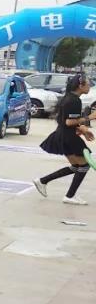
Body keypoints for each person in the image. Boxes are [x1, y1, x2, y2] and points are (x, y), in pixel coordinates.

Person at [34, 73, 94, 205]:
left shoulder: (68, 98)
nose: (90, 86)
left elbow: (66, 121)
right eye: (88, 83)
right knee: (84, 165)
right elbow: (69, 122)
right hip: (68, 136)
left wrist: (83, 130)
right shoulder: (74, 100)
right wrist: (90, 117)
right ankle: (70, 196)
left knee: (76, 166)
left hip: (62, 135)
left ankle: (43, 181)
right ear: (80, 85)